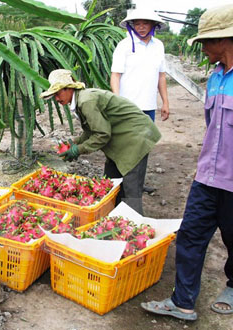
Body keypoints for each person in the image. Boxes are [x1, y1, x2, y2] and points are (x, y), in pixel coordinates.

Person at [141, 4, 233, 321]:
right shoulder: (217, 78)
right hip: (206, 177)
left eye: (206, 41)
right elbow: (213, 129)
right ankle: (183, 302)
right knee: (191, 235)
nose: (203, 48)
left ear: (225, 40)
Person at [40, 69, 161, 215]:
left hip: (136, 137)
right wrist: (74, 143)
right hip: (122, 138)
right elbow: (92, 130)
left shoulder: (86, 101)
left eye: (58, 93)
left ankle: (134, 227)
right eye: (54, 96)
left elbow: (102, 134)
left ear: (69, 88)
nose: (57, 99)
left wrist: (78, 149)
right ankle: (115, 216)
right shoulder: (80, 100)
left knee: (131, 188)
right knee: (110, 182)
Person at [111, 8, 169, 193]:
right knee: (122, 146)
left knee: (143, 148)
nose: (141, 27)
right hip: (127, 107)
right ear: (131, 25)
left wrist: (165, 102)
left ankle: (136, 185)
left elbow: (161, 76)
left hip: (149, 107)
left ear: (153, 25)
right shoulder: (124, 45)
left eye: (145, 23)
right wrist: (117, 101)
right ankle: (116, 186)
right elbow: (115, 75)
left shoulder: (158, 46)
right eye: (137, 23)